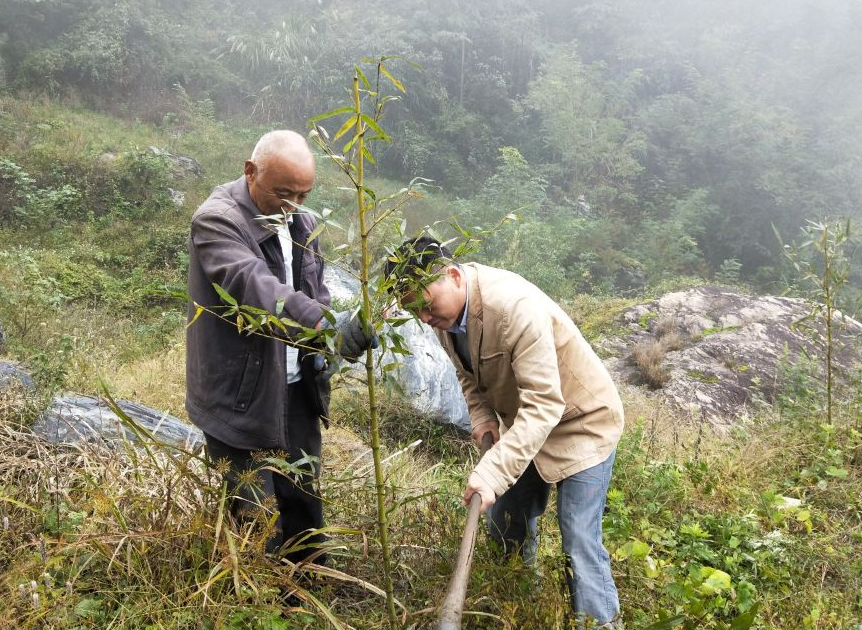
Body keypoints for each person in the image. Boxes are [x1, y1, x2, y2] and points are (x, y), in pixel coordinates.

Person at [386, 236, 625, 628]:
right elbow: (468, 377)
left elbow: (546, 404)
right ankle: (518, 603)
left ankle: (599, 624)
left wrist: (493, 473)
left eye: (427, 308)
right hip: (525, 425)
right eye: (415, 312)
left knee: (579, 538)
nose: (425, 319)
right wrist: (482, 420)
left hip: (581, 422)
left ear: (452, 275)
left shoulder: (514, 308)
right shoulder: (442, 315)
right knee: (507, 525)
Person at [186, 129, 372, 563]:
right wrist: (326, 326)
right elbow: (258, 290)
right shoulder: (217, 220)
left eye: (303, 195)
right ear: (251, 172)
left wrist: (325, 346)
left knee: (304, 501)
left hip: (295, 392)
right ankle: (259, 606)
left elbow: (314, 288)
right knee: (255, 518)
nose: (292, 206)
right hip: (240, 396)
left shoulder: (302, 223)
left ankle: (306, 594)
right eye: (283, 193)